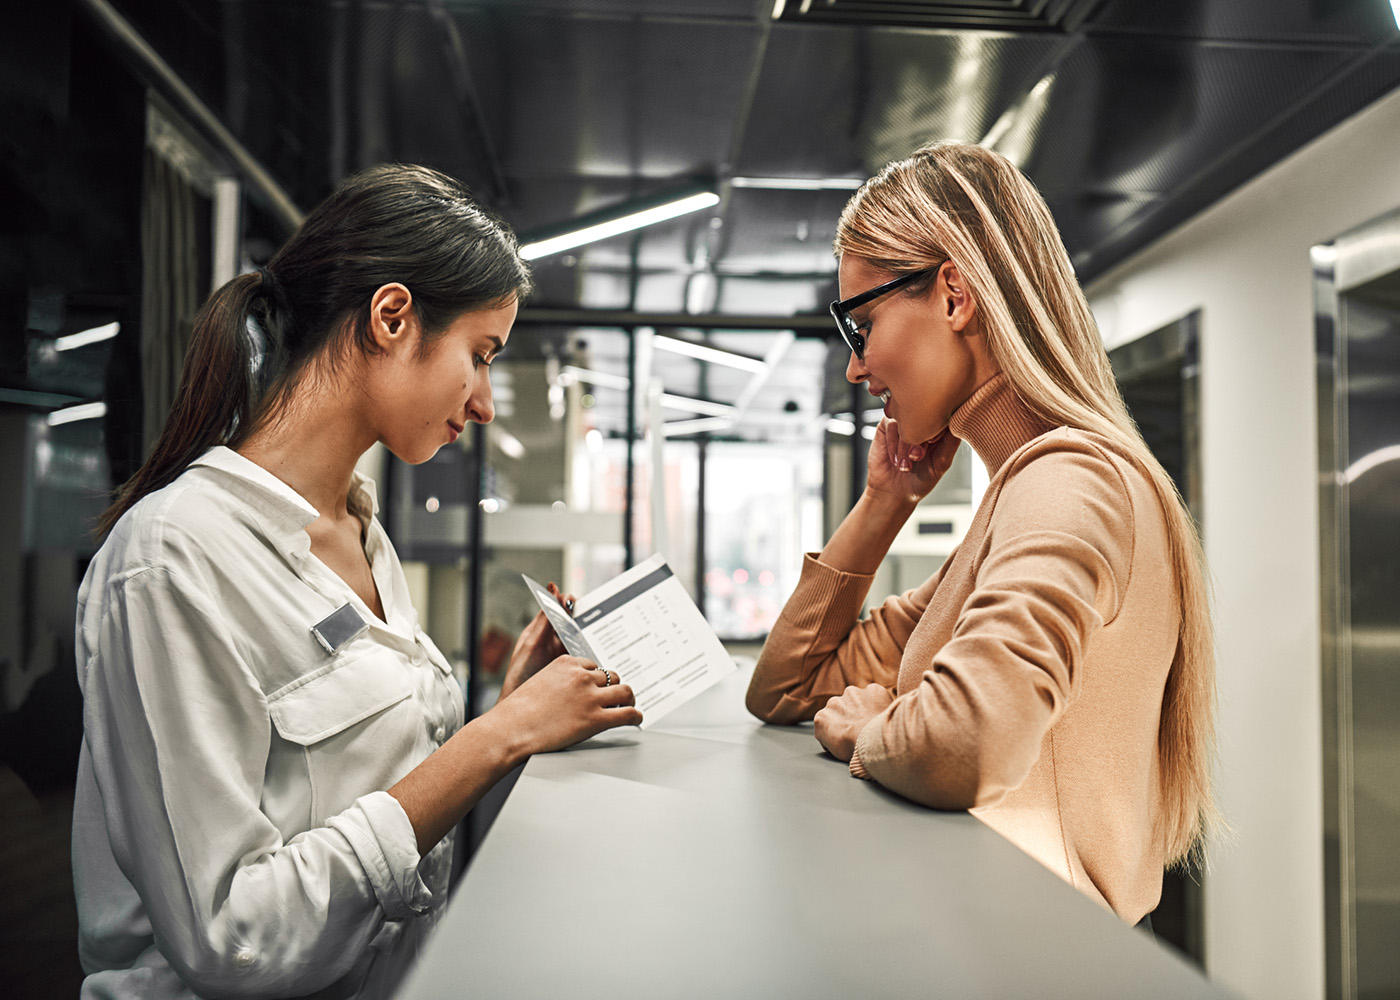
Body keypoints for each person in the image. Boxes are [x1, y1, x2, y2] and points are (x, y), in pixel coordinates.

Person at [73, 164, 643, 999]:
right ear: (391, 317)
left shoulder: (361, 531)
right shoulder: (172, 559)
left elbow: (368, 795)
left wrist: (510, 712)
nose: (484, 402)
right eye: (479, 357)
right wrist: (498, 737)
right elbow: (228, 936)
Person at [745, 141, 1217, 924]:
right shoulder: (1016, 499)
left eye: (862, 324)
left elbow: (971, 740)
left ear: (956, 296)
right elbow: (788, 687)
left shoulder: (1071, 480)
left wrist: (873, 729)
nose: (857, 370)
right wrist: (885, 503)